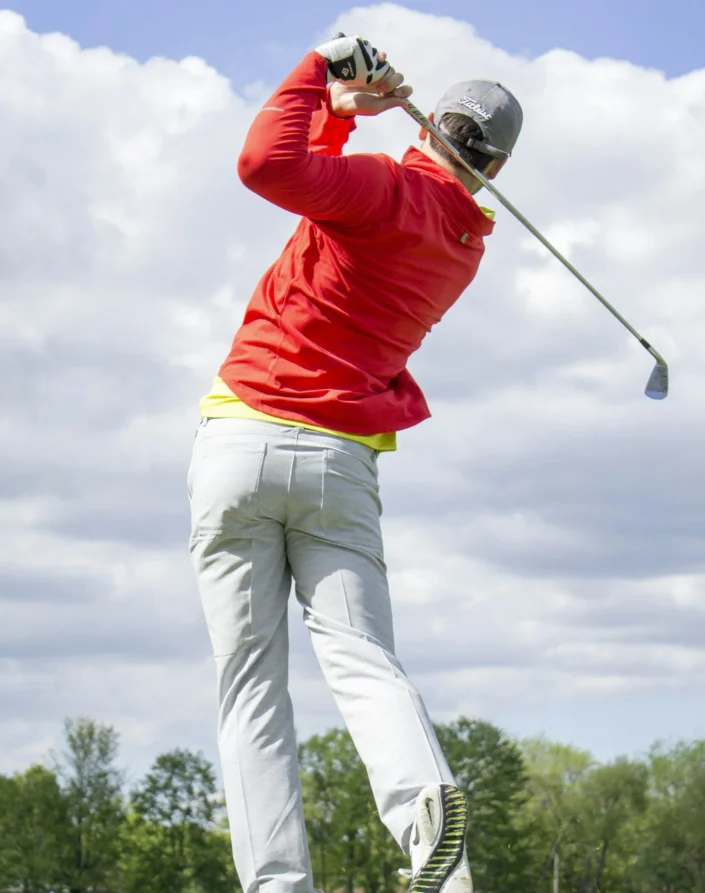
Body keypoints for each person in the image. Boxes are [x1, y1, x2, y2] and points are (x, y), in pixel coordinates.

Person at [188, 34, 522, 893]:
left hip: (243, 442)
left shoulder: (385, 185)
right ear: (495, 166)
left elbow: (267, 164)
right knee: (364, 659)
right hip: (338, 465)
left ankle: (276, 883)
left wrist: (319, 74)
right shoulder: (463, 244)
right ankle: (429, 831)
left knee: (251, 686)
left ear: (431, 124)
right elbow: (322, 198)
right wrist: (339, 120)